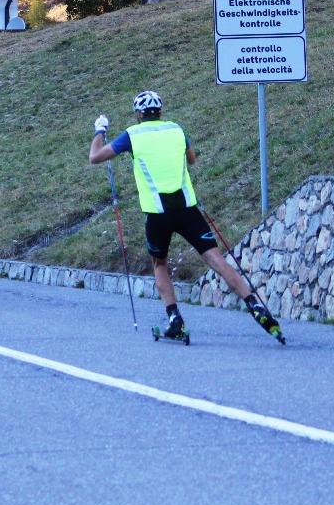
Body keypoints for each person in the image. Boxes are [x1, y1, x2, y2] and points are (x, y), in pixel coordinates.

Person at [88, 90, 282, 341]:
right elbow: (192, 160)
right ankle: (254, 304)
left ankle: (174, 318)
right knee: (216, 259)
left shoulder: (132, 134)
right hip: (187, 209)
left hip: (158, 214)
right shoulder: (177, 130)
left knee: (160, 264)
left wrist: (100, 130)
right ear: (161, 111)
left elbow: (95, 157)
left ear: (138, 114)